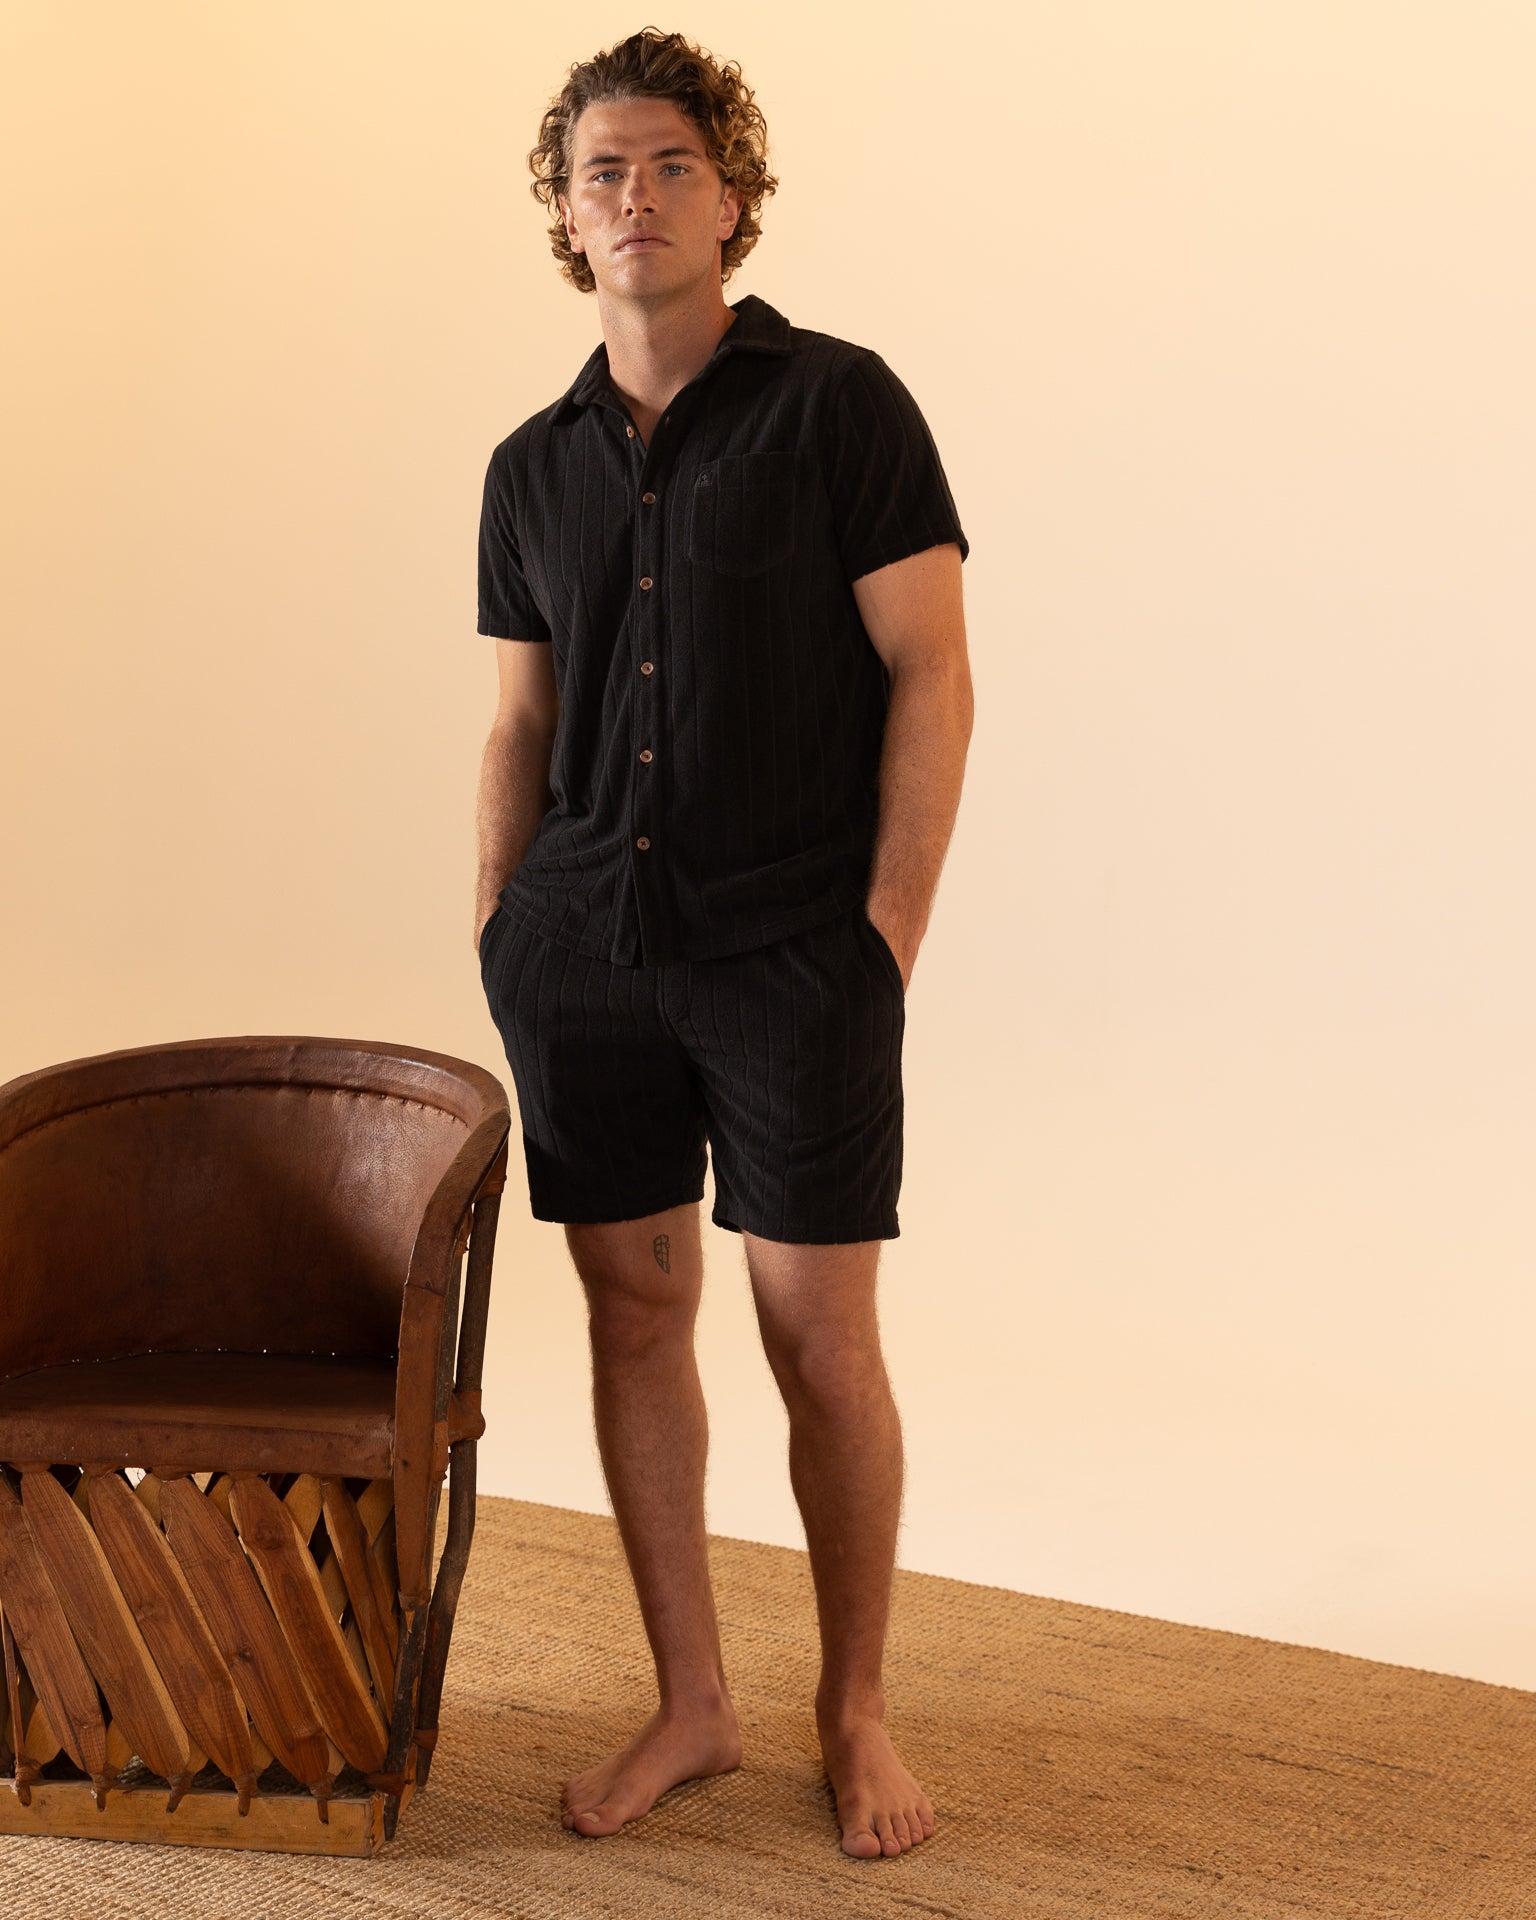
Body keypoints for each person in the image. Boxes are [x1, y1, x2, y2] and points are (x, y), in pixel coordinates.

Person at [472, 27, 972, 1863]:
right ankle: (691, 1699)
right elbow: (522, 727)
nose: (637, 195)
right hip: (583, 952)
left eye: (671, 164)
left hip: (793, 953)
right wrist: (501, 923)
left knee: (814, 1333)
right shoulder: (528, 467)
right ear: (563, 212)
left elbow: (936, 674)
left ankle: (856, 1707)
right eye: (603, 170)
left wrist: (885, 936)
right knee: (634, 1308)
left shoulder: (843, 406)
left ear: (732, 199)